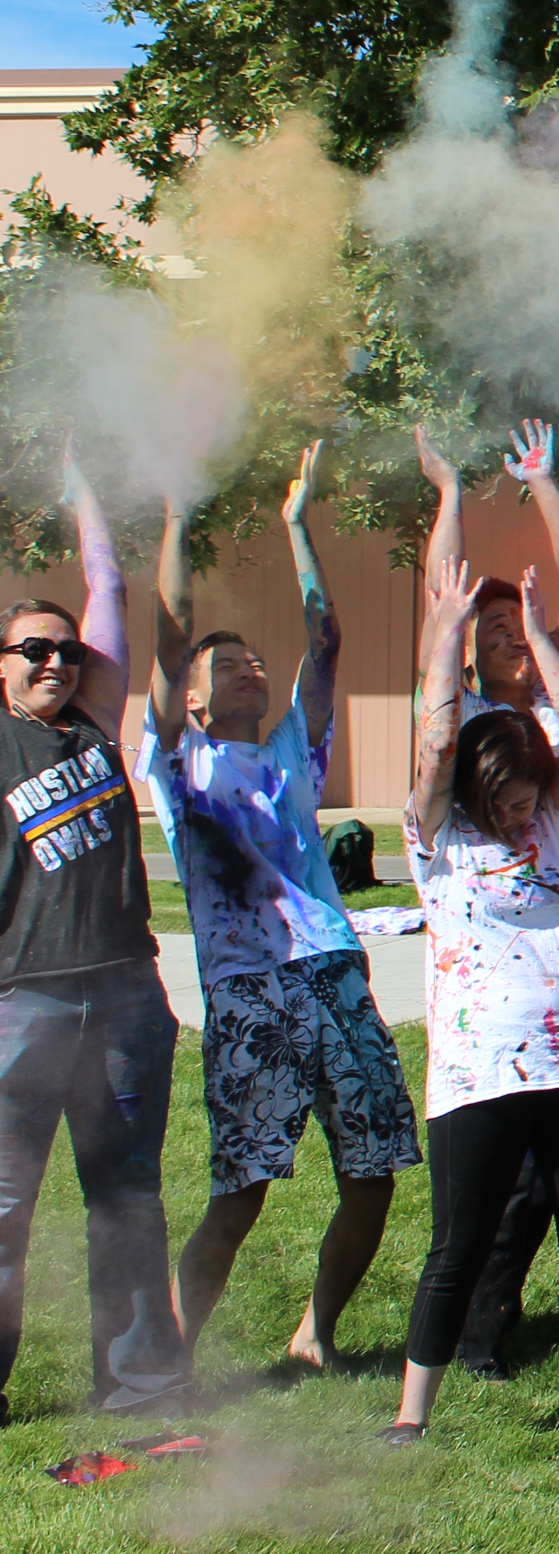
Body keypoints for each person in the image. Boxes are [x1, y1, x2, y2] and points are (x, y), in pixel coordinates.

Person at [146, 455, 420, 1370]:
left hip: (334, 970)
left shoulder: (292, 754)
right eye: (227, 666)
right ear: (190, 697)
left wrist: (300, 523)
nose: (250, 670)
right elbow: (169, 635)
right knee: (241, 1193)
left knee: (373, 1174)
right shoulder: (178, 763)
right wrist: (179, 520)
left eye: (255, 662)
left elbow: (327, 638)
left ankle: (316, 1336)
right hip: (249, 987)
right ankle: (176, 1360)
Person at [391, 558, 559, 1442]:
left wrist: (541, 636)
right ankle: (411, 1418)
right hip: (478, 1076)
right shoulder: (437, 843)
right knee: (456, 1249)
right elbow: (434, 741)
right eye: (503, 801)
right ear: (474, 790)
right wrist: (445, 636)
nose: (518, 814)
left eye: (527, 798)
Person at [0, 457, 189, 1425]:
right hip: (21, 999)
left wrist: (83, 488)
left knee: (127, 1196)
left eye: (67, 651)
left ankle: (140, 1383)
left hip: (123, 999)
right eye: (33, 651)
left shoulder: (93, 724)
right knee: (4, 1205)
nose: (55, 665)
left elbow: (108, 586)